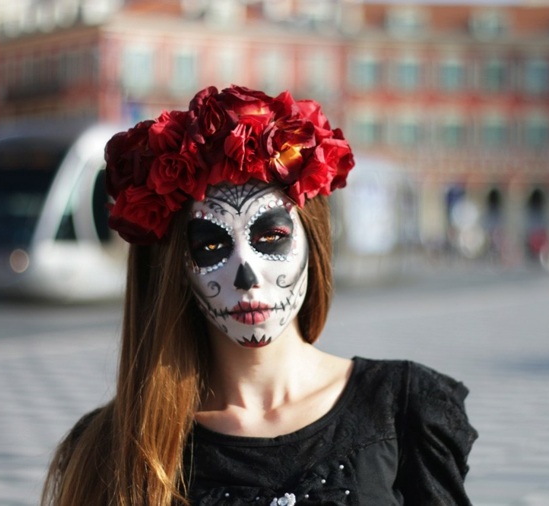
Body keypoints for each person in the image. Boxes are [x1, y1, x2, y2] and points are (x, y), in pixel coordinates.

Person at [42, 85, 477, 506]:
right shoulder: (112, 447)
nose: (247, 274)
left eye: (271, 235)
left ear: (314, 241)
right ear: (175, 267)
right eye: (211, 246)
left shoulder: (405, 411)